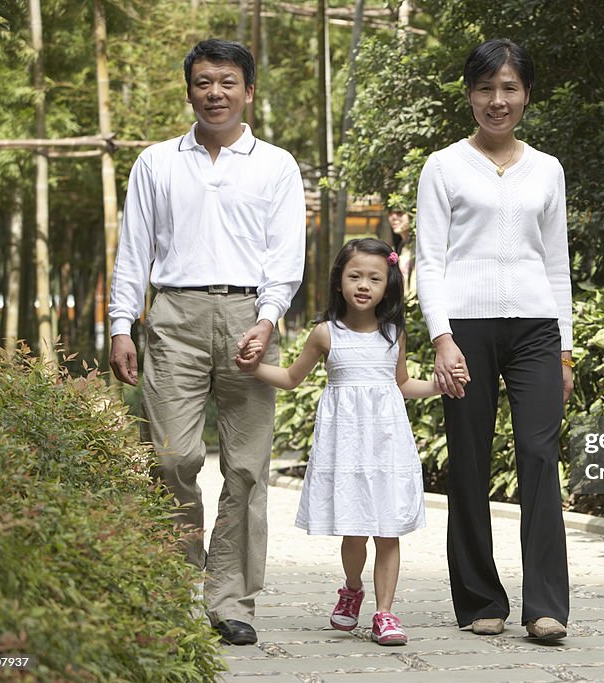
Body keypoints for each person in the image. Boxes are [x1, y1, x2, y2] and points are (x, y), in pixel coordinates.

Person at [108, 39, 306, 647]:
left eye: (226, 82)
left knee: (246, 468)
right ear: (188, 90)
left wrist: (268, 319)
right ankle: (173, 584)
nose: (214, 93)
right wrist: (121, 323)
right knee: (172, 458)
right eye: (202, 83)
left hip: (250, 316)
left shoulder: (276, 165)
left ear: (248, 91)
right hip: (174, 316)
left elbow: (286, 256)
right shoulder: (156, 163)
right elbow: (134, 249)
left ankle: (229, 600)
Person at [415, 38, 573, 641]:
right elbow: (430, 261)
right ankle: (480, 599)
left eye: (509, 88)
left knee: (539, 457)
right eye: (486, 88)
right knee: (471, 462)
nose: (497, 100)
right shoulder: (444, 165)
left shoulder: (548, 169)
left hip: (536, 329)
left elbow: (556, 262)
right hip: (466, 331)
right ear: (470, 94)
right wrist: (441, 337)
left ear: (527, 94)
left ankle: (545, 606)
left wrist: (564, 347)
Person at [237, 238, 465, 647]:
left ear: (388, 285)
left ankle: (385, 613)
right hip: (346, 445)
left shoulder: (394, 333)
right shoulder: (325, 334)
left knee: (388, 530)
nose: (364, 285)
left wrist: (439, 386)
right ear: (339, 281)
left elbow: (401, 384)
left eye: (374, 278)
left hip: (387, 444)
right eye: (355, 275)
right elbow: (291, 379)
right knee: (355, 532)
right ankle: (352, 588)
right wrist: (255, 369)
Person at [387, 208, 415, 289]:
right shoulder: (400, 247)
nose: (393, 217)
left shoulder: (420, 247)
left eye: (399, 212)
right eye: (390, 213)